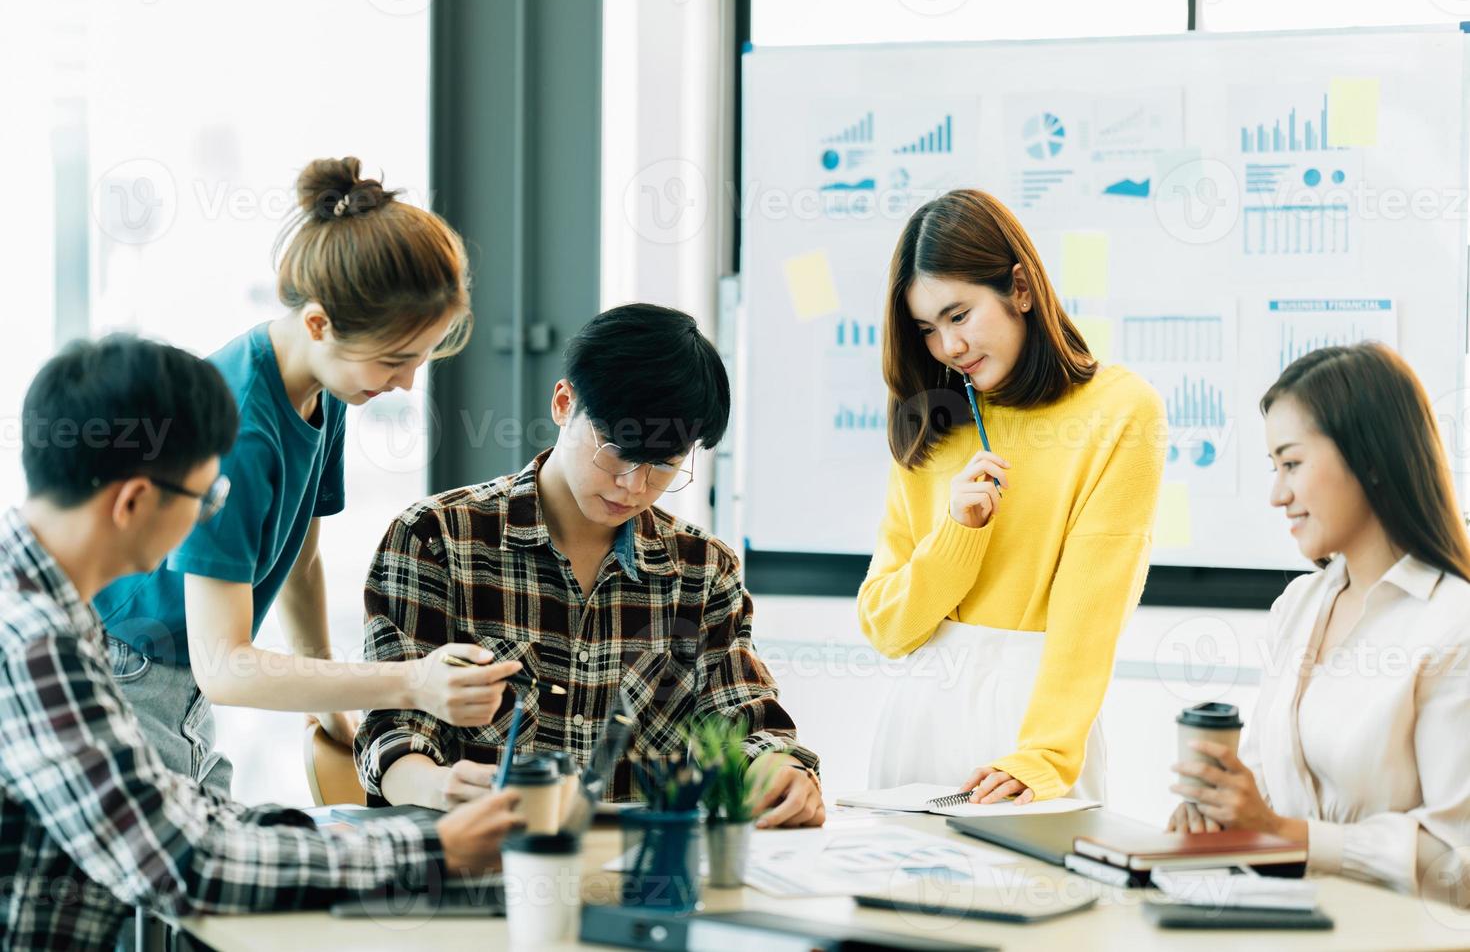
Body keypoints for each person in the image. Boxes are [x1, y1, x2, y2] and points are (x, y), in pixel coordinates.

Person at [0, 335, 521, 950]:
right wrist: (435, 850)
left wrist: (351, 836)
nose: (208, 520)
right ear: (134, 502)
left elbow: (169, 806)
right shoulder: (36, 642)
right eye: (209, 498)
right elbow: (184, 861)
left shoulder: (44, 607)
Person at [93, 157, 513, 796]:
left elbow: (300, 557)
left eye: (421, 358)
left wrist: (321, 686)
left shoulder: (327, 386)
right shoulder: (236, 427)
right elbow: (225, 668)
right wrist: (411, 682)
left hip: (176, 670)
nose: (406, 383)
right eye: (394, 360)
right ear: (319, 322)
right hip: (129, 667)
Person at [355, 303, 825, 828]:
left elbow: (742, 719)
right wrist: (439, 786)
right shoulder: (437, 539)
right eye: (619, 452)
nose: (634, 485)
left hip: (635, 877)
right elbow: (393, 733)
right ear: (563, 403)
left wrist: (776, 771)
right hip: (474, 862)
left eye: (665, 464)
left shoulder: (702, 570)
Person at [858, 189, 1167, 805]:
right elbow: (887, 627)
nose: (948, 347)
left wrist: (1046, 756)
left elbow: (1092, 609)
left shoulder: (1119, 410)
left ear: (1020, 289)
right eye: (927, 329)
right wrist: (958, 532)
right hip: (918, 719)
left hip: (1034, 731)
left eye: (959, 315)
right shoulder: (932, 420)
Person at [1167, 343, 1470, 906]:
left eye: (1292, 463)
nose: (1277, 494)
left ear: (1370, 458)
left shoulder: (1455, 625)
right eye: (1274, 467)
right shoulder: (1299, 606)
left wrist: (1286, 835)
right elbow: (1261, 785)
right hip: (1282, 920)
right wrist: (1218, 815)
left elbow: (1459, 864)